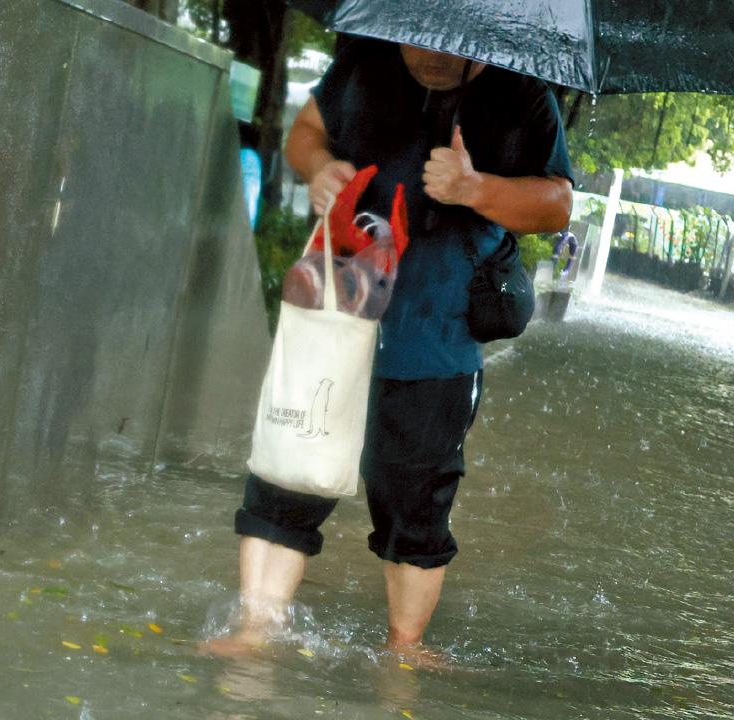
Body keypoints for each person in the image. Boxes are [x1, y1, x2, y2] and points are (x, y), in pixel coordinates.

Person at [211, 39, 573, 661]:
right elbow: (305, 134)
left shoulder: (523, 94)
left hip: (437, 336)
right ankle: (254, 633)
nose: (431, 54)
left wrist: (474, 187)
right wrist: (319, 168)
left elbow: (558, 204)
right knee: (287, 470)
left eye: (450, 47)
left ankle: (404, 652)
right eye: (418, 38)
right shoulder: (364, 64)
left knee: (416, 499)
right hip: (334, 317)